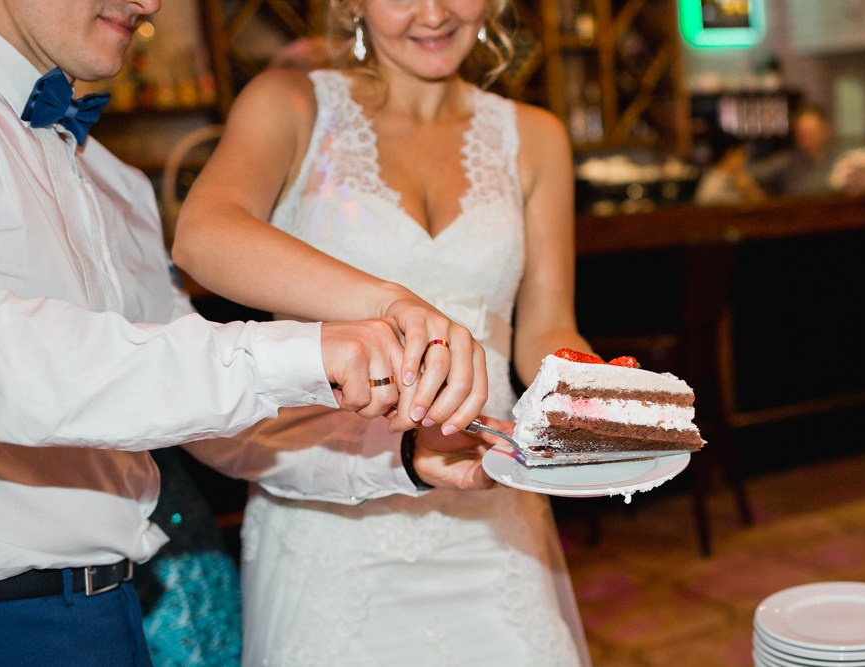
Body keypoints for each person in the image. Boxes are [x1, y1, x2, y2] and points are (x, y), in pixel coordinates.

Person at [0, 0, 500, 663]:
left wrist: (405, 455)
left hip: (107, 614)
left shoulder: (113, 181)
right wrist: (307, 348)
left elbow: (215, 423)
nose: (150, 3)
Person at [172, 1, 594, 664]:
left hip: (488, 507)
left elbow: (547, 325)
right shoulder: (290, 105)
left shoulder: (535, 135)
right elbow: (203, 237)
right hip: (329, 517)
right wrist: (389, 302)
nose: (432, 14)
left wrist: (603, 400)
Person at [751, 103, 837, 196]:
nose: (807, 137)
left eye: (811, 132)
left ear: (826, 131)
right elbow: (751, 174)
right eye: (802, 133)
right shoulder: (786, 162)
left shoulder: (841, 160)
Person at [694, 132, 766, 205]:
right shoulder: (712, 182)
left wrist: (749, 189)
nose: (745, 158)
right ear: (730, 154)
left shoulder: (738, 177)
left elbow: (764, 205)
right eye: (741, 153)